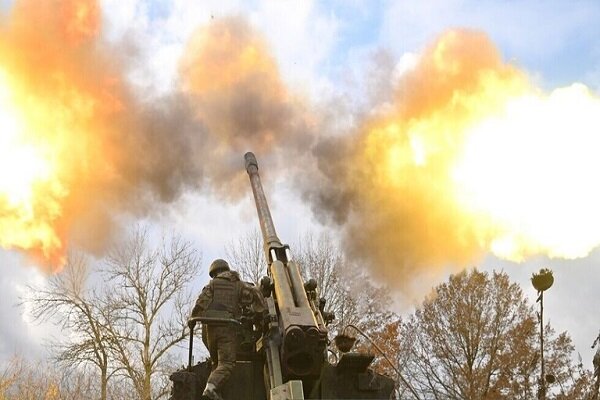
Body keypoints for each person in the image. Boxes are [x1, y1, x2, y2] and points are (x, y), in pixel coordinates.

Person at [190, 259, 265, 400]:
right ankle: (211, 388)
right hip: (227, 327)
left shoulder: (211, 285)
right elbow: (255, 295)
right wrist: (261, 316)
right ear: (227, 270)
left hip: (209, 330)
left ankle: (216, 391)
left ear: (214, 273)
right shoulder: (238, 284)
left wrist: (193, 320)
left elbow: (200, 304)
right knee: (227, 363)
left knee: (216, 363)